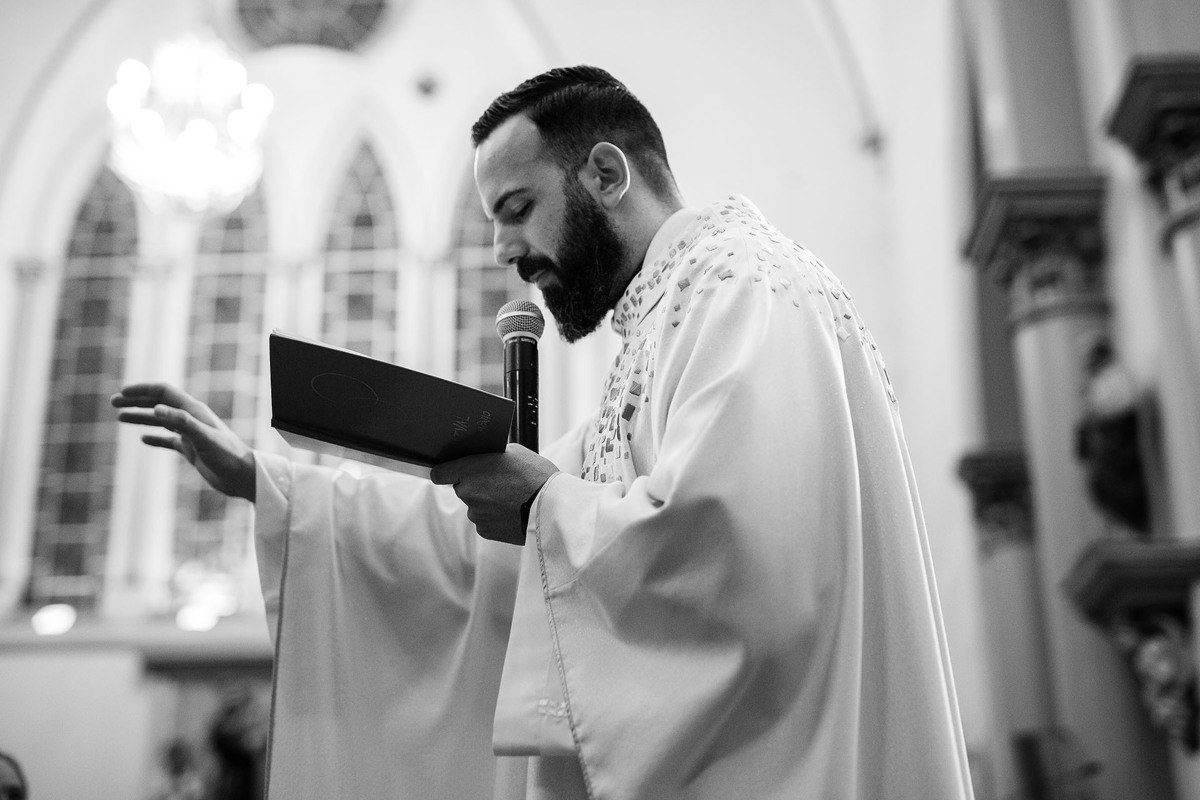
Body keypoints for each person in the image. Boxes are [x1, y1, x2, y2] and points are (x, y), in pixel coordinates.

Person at [114, 65, 974, 799]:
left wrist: (546, 507)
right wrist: (273, 485)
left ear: (605, 173)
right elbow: (471, 541)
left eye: (518, 207)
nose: (502, 248)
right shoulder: (668, 321)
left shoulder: (740, 290)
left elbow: (739, 555)